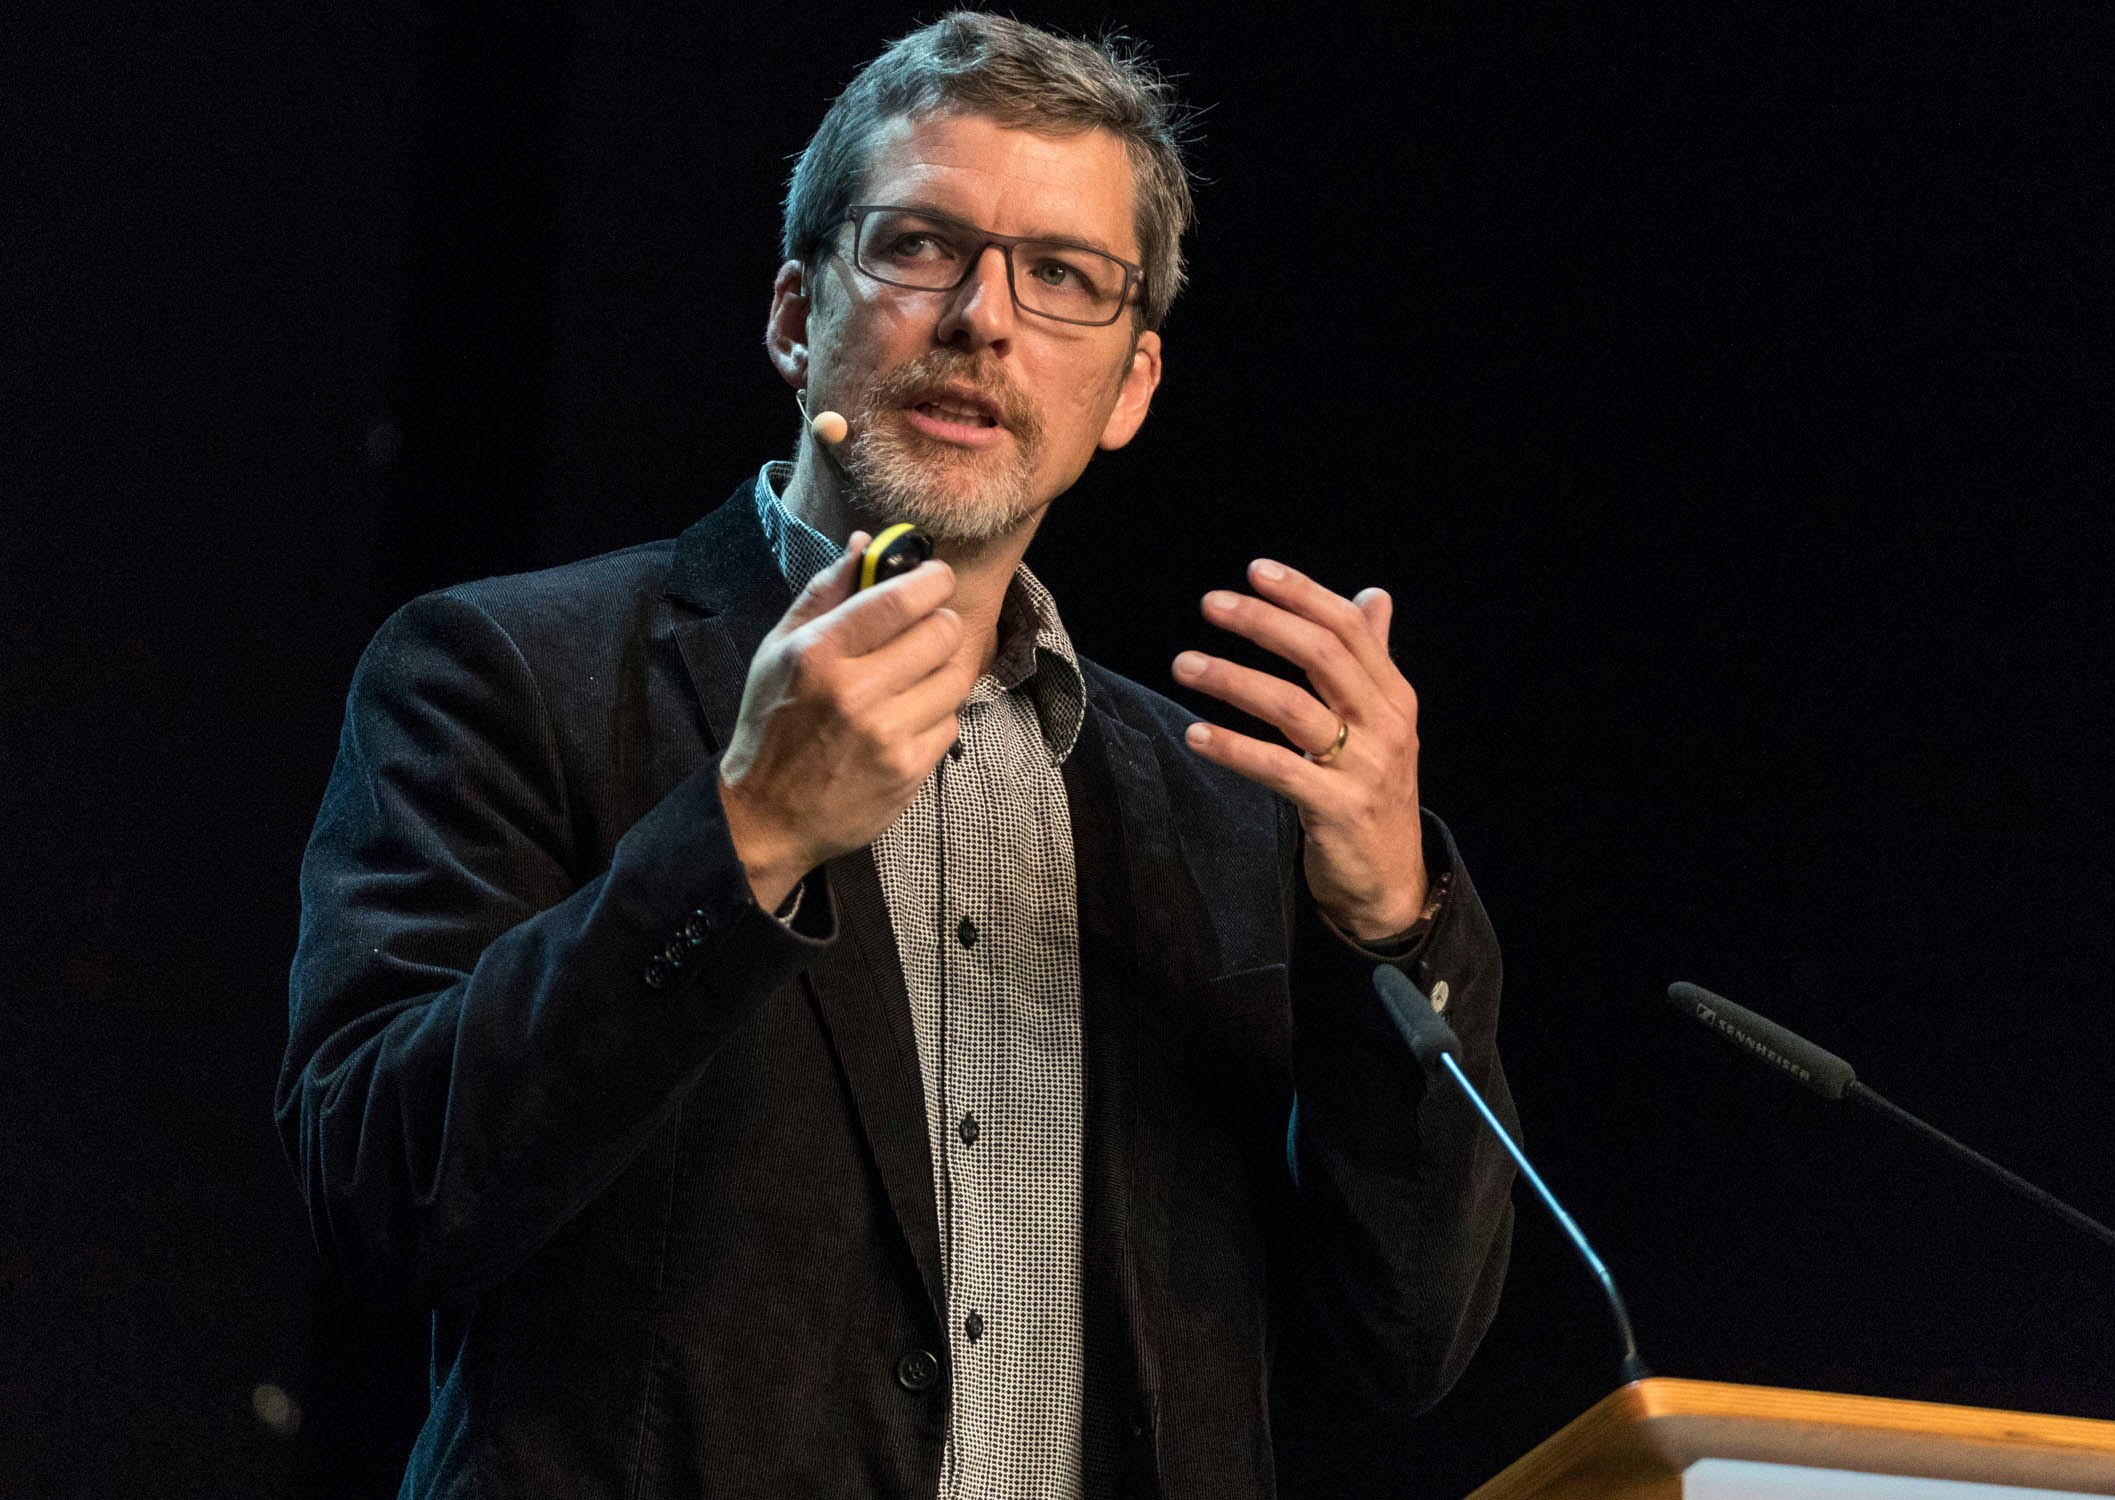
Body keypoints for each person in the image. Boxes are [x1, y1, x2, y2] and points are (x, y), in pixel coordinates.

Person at [279, 14, 1515, 1498]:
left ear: (1128, 389)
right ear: (798, 315)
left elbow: (1405, 1341)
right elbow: (379, 1198)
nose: (985, 320)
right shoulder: (505, 672)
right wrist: (741, 842)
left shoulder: (1219, 804)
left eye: (1063, 278)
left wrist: (1393, 926)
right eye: (921, 245)